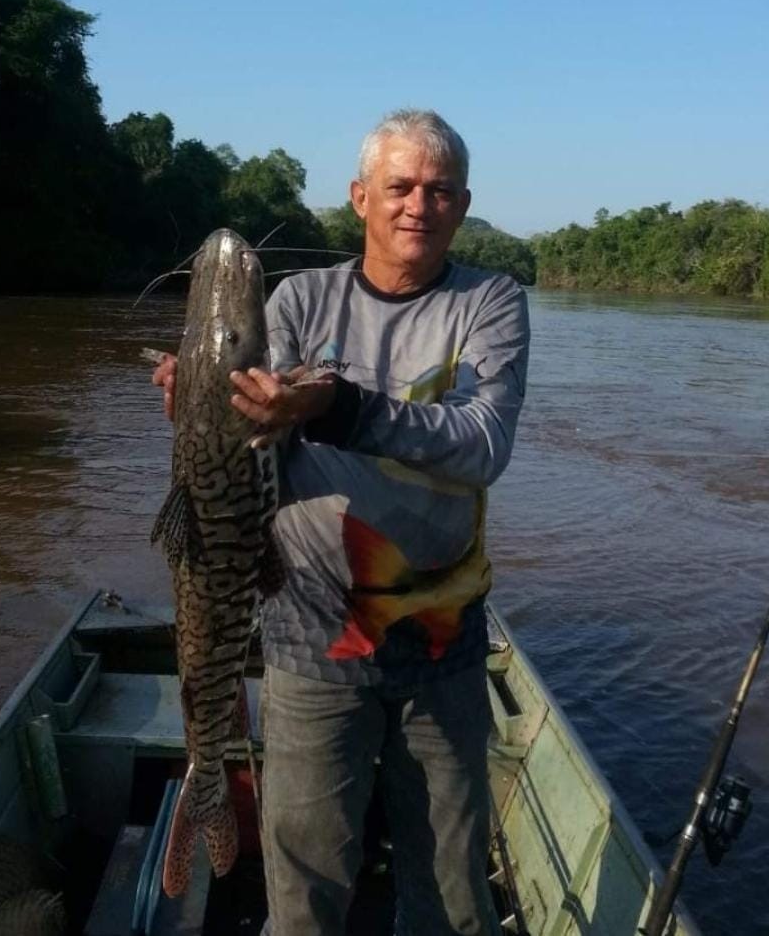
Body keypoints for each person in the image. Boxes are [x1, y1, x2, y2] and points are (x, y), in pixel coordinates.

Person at [154, 108, 530, 936]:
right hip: (309, 638)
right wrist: (210, 406)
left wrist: (339, 404)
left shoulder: (489, 302)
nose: (417, 205)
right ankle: (208, 791)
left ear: (462, 205)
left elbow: (482, 443)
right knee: (307, 886)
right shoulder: (296, 299)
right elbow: (256, 431)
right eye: (399, 186)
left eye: (438, 191)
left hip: (442, 642)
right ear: (361, 197)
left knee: (453, 893)